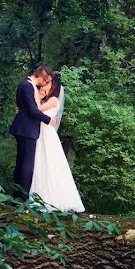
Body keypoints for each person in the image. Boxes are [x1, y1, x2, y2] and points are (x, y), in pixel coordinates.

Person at [28, 76, 85, 213]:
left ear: (53, 87)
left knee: (51, 164)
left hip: (47, 135)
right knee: (40, 165)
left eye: (47, 84)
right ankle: (39, 196)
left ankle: (57, 200)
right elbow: (33, 111)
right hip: (40, 134)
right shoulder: (46, 99)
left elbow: (38, 109)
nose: (43, 86)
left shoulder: (53, 100)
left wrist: (37, 94)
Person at [9, 65, 54, 199]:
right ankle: (22, 198)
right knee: (26, 166)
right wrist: (48, 119)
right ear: (40, 78)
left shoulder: (28, 86)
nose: (45, 85)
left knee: (22, 164)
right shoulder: (27, 85)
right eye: (45, 82)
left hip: (25, 129)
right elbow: (32, 110)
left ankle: (17, 197)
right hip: (26, 129)